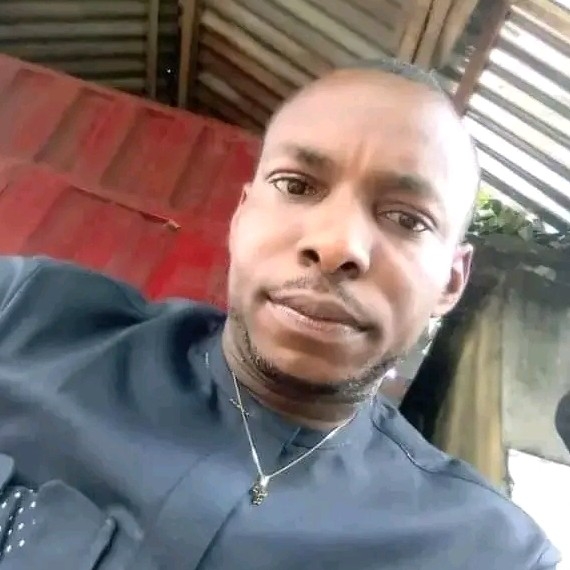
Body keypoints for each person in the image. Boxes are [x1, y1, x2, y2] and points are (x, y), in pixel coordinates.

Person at [0, 58, 559, 569]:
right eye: (296, 185)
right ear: (241, 216)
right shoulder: (23, 317)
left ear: (451, 282)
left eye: (407, 219)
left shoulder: (487, 554)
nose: (337, 246)